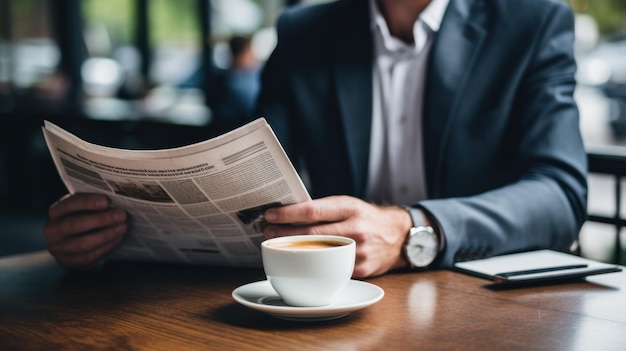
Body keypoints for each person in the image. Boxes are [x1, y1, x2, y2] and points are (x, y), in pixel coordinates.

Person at [43, 0, 587, 278]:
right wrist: (113, 236)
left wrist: (414, 229)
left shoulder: (533, 20)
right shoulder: (305, 31)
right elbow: (240, 179)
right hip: (333, 303)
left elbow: (560, 193)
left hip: (479, 308)